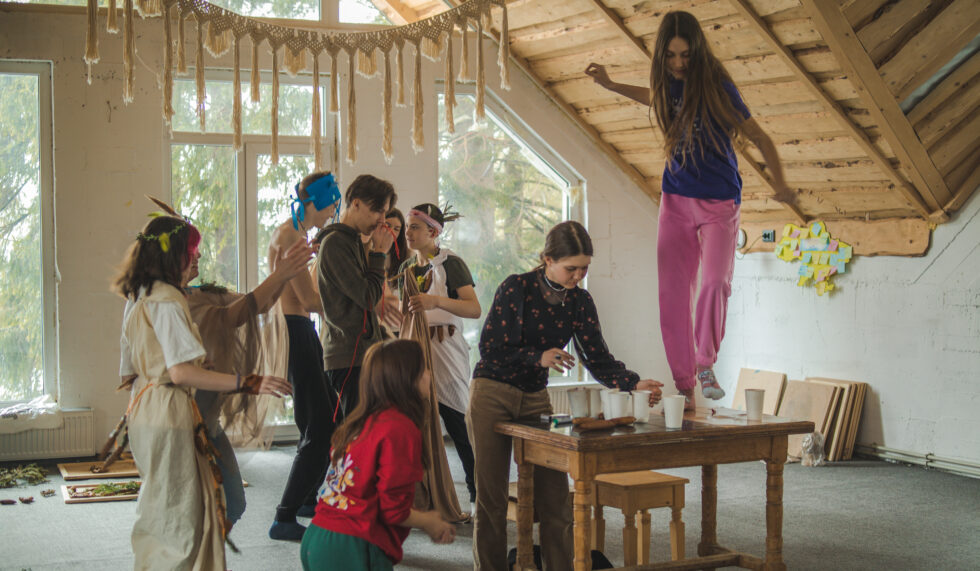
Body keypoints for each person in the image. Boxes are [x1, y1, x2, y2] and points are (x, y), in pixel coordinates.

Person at [585, 10, 796, 408]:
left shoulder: (718, 88)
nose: (679, 63)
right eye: (671, 56)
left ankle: (704, 363)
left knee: (715, 282)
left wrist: (781, 183)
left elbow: (759, 137)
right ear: (662, 56)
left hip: (720, 202)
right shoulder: (666, 83)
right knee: (673, 292)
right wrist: (610, 85)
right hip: (676, 199)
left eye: (686, 55)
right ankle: (684, 380)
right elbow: (653, 97)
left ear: (697, 53)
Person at [467, 221, 664, 570]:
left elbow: (597, 356)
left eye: (585, 267)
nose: (578, 275)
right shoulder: (516, 288)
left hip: (536, 397)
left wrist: (633, 383)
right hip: (491, 394)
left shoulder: (580, 301)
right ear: (547, 259)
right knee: (492, 498)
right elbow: (489, 349)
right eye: (571, 268)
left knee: (556, 496)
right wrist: (536, 356)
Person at [114, 215, 291, 570]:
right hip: (167, 415)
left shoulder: (140, 296)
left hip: (148, 409)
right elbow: (179, 372)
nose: (196, 257)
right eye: (190, 250)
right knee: (180, 522)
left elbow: (133, 369)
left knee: (174, 511)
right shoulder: (164, 299)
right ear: (172, 254)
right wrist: (247, 381)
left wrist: (188, 368)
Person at [184, 237, 314, 526]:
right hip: (180, 424)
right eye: (189, 252)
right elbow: (231, 315)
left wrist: (285, 274)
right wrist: (280, 274)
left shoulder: (200, 294)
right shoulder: (168, 304)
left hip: (209, 421)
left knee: (234, 503)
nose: (199, 256)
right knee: (192, 510)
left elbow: (258, 305)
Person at [300, 339, 456, 571]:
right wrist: (429, 522)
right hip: (352, 545)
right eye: (423, 368)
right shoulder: (399, 428)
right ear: (405, 380)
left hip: (317, 536)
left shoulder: (360, 422)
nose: (429, 373)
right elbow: (393, 510)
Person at [267, 171, 345, 540]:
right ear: (316, 201)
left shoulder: (296, 235)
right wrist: (356, 301)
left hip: (301, 329)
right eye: (332, 204)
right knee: (320, 426)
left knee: (325, 417)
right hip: (295, 329)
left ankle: (306, 499)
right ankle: (284, 516)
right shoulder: (289, 237)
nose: (333, 212)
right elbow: (311, 300)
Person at [399, 203, 480, 510]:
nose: (408, 233)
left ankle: (476, 495)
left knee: (459, 423)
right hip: (417, 351)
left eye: (414, 227)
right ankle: (425, 498)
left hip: (446, 349)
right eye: (407, 227)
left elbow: (473, 309)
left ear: (433, 232)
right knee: (416, 427)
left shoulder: (451, 264)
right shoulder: (406, 270)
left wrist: (436, 300)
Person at [316, 174, 397, 420]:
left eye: (385, 213)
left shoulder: (351, 242)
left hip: (362, 355)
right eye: (377, 211)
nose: (382, 220)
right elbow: (368, 298)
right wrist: (380, 254)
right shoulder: (335, 244)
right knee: (356, 438)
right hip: (348, 358)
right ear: (356, 203)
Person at [377, 208, 408, 336]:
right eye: (388, 226)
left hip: (398, 322)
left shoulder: (406, 256)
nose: (392, 232)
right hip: (378, 322)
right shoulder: (373, 251)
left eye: (397, 229)